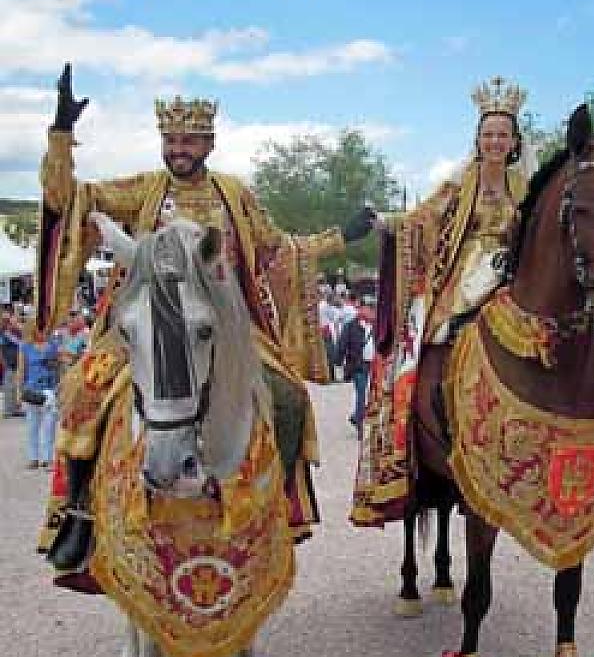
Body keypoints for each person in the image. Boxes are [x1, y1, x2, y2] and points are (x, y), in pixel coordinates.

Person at [36, 62, 374, 569]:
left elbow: (278, 250)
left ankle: (276, 507)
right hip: (150, 323)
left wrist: (339, 238)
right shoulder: (143, 188)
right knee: (84, 391)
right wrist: (61, 134)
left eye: (189, 141)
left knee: (288, 397)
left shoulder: (234, 194)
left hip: (226, 327)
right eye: (171, 141)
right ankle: (80, 514)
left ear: (209, 145)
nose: (179, 150)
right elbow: (67, 200)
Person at [352, 76, 529, 525]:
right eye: (488, 134)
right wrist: (386, 222)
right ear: (478, 139)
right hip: (464, 276)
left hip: (509, 274)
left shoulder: (525, 188)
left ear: (514, 142)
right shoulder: (460, 185)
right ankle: (412, 427)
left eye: (503, 134)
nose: (495, 141)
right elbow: (422, 219)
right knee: (430, 342)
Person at [0, 317, 61, 468]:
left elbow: (58, 368)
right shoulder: (25, 347)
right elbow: (21, 371)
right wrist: (19, 393)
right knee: (32, 427)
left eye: (45, 328)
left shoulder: (53, 346)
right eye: (40, 328)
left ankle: (47, 458)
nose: (43, 331)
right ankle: (33, 458)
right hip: (31, 390)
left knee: (49, 427)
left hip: (49, 390)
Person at [336, 307, 374, 439]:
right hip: (358, 365)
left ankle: (357, 416)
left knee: (371, 394)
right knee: (362, 394)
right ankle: (360, 426)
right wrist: (338, 362)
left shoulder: (376, 325)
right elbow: (342, 344)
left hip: (374, 365)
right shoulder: (350, 326)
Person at [0, 310, 24, 417]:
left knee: (16, 387)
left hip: (17, 363)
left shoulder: (15, 332)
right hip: (9, 363)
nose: (9, 322)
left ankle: (15, 409)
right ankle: (8, 410)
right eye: (6, 320)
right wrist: (3, 362)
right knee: (9, 387)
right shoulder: (4, 334)